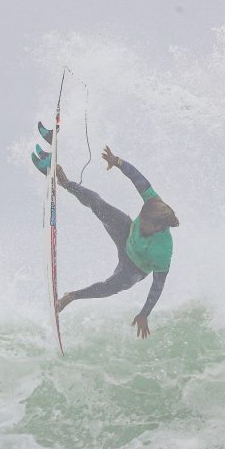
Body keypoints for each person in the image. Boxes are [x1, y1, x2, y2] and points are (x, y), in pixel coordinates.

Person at [33, 145, 178, 339]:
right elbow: (137, 178)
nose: (141, 223)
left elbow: (157, 286)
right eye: (141, 218)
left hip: (134, 268)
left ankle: (71, 296)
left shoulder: (163, 250)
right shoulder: (153, 202)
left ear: (158, 226)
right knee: (98, 203)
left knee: (112, 285)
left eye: (145, 224)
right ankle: (65, 182)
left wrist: (144, 314)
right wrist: (117, 161)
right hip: (126, 235)